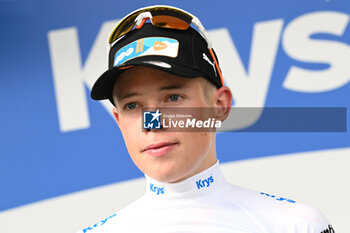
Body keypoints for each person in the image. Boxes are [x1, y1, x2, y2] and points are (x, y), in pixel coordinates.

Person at [77, 5, 334, 233]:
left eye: (173, 98)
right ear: (118, 120)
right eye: (132, 105)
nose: (152, 123)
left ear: (220, 106)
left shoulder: (297, 226)